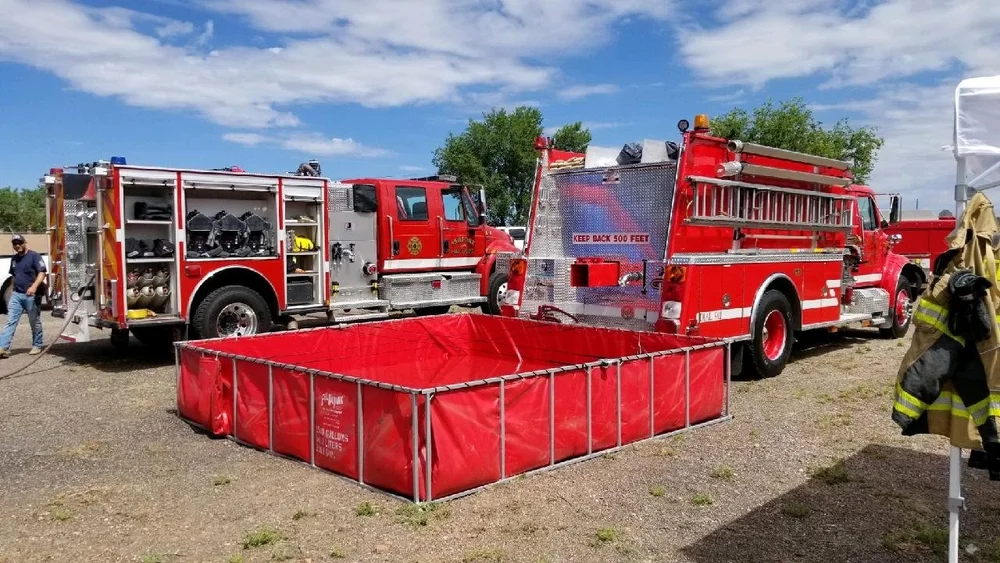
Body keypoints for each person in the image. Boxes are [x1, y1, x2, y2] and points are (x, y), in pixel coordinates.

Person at [0, 234, 46, 358]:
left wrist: (34, 287)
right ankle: (3, 348)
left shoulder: (34, 256)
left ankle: (37, 345)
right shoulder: (14, 259)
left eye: (20, 243)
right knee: (10, 321)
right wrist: (13, 290)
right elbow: (14, 276)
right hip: (17, 295)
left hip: (32, 295)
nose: (17, 245)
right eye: (15, 243)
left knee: (34, 321)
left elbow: (42, 273)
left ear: (25, 242)